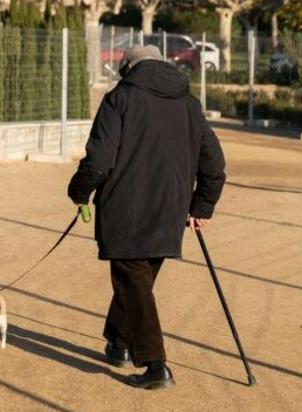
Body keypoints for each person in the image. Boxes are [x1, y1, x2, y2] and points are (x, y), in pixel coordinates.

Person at [67, 44, 226, 390]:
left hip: (125, 211)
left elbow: (98, 160)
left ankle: (156, 365)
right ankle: (118, 342)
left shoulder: (119, 99)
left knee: (135, 284)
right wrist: (201, 205)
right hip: (170, 211)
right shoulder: (189, 104)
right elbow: (214, 163)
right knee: (137, 283)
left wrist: (79, 192)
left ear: (128, 68)